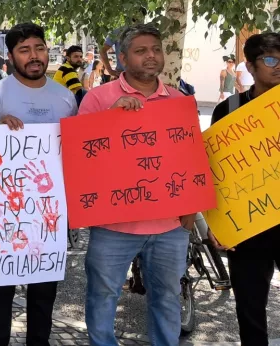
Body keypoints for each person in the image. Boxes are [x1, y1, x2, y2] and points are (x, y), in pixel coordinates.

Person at [79, 23, 195, 346]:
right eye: (141, 51)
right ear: (123, 57)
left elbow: (189, 159)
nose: (151, 57)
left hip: (169, 226)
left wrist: (192, 207)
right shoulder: (98, 99)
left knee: (168, 297)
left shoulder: (178, 100)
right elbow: (82, 157)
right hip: (114, 226)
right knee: (102, 295)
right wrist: (111, 119)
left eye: (156, 50)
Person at [0, 23, 78, 346]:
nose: (34, 56)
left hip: (49, 213)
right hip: (4, 213)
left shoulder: (65, 98)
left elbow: (73, 155)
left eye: (39, 48)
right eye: (24, 50)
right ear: (10, 56)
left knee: (44, 293)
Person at [210, 32, 280, 346]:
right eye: (270, 60)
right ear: (250, 67)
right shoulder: (228, 111)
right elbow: (216, 172)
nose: (278, 66)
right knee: (250, 313)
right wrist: (218, 225)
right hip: (247, 230)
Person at [99, 9, 147, 80]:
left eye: (141, 15)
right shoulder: (118, 32)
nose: (140, 18)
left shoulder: (147, 34)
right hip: (124, 75)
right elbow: (102, 51)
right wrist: (110, 71)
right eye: (138, 15)